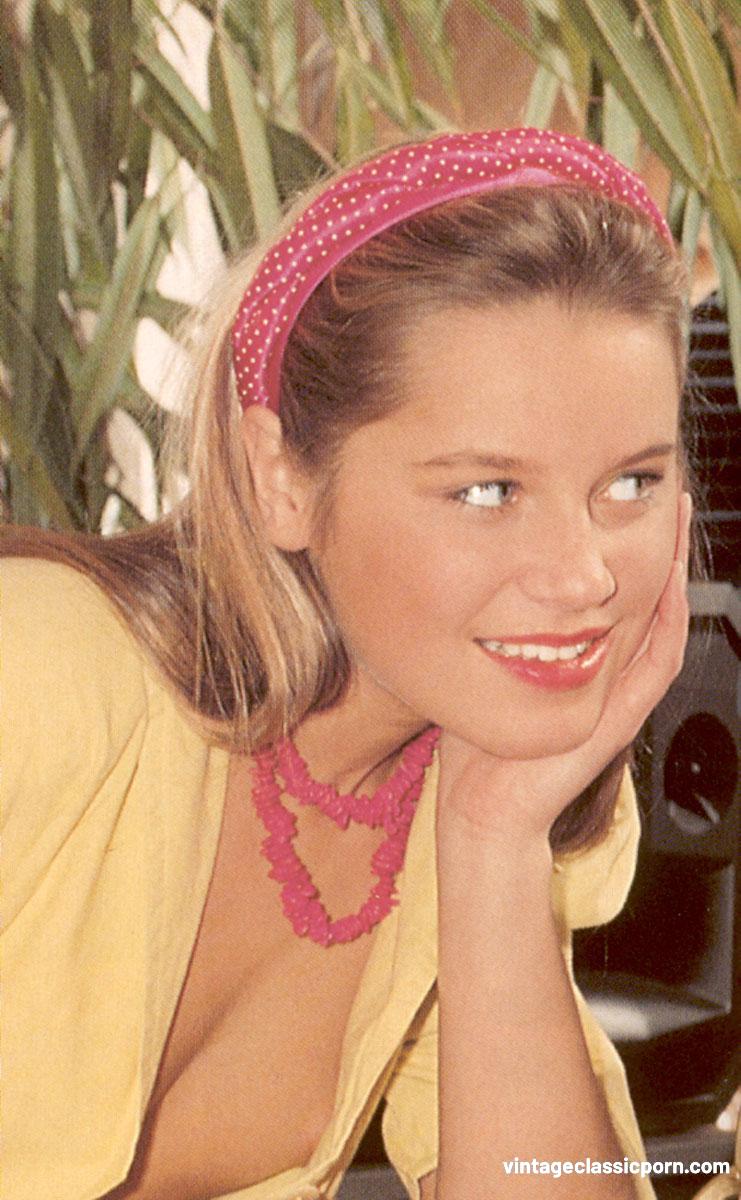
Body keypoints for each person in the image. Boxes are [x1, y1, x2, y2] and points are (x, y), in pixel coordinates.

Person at [2, 128, 694, 1200]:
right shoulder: (37, 673)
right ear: (279, 478)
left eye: (632, 483)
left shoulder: (464, 780)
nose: (584, 575)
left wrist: (493, 842)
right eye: (487, 491)